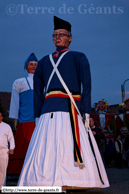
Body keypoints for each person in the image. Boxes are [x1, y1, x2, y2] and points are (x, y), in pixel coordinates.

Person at [18, 16, 109, 189]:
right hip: (47, 111)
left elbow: (87, 85)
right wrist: (37, 114)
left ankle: (75, 181)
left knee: (67, 144)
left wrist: (86, 112)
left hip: (71, 109)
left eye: (61, 34)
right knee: (47, 146)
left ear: (70, 37)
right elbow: (38, 92)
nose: (57, 37)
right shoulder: (44, 61)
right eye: (54, 35)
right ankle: (42, 181)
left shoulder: (78, 56)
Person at [7, 53, 38, 175]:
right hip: (25, 119)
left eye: (36, 64)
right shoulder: (19, 82)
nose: (34, 66)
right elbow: (15, 101)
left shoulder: (44, 82)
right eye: (31, 64)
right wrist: (15, 118)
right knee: (24, 143)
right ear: (26, 67)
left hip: (40, 118)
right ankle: (19, 170)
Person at [0, 112, 15, 190]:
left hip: (3, 151)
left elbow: (11, 138)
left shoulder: (6, 127)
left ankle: (2, 187)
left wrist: (12, 148)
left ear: (2, 117)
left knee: (2, 169)